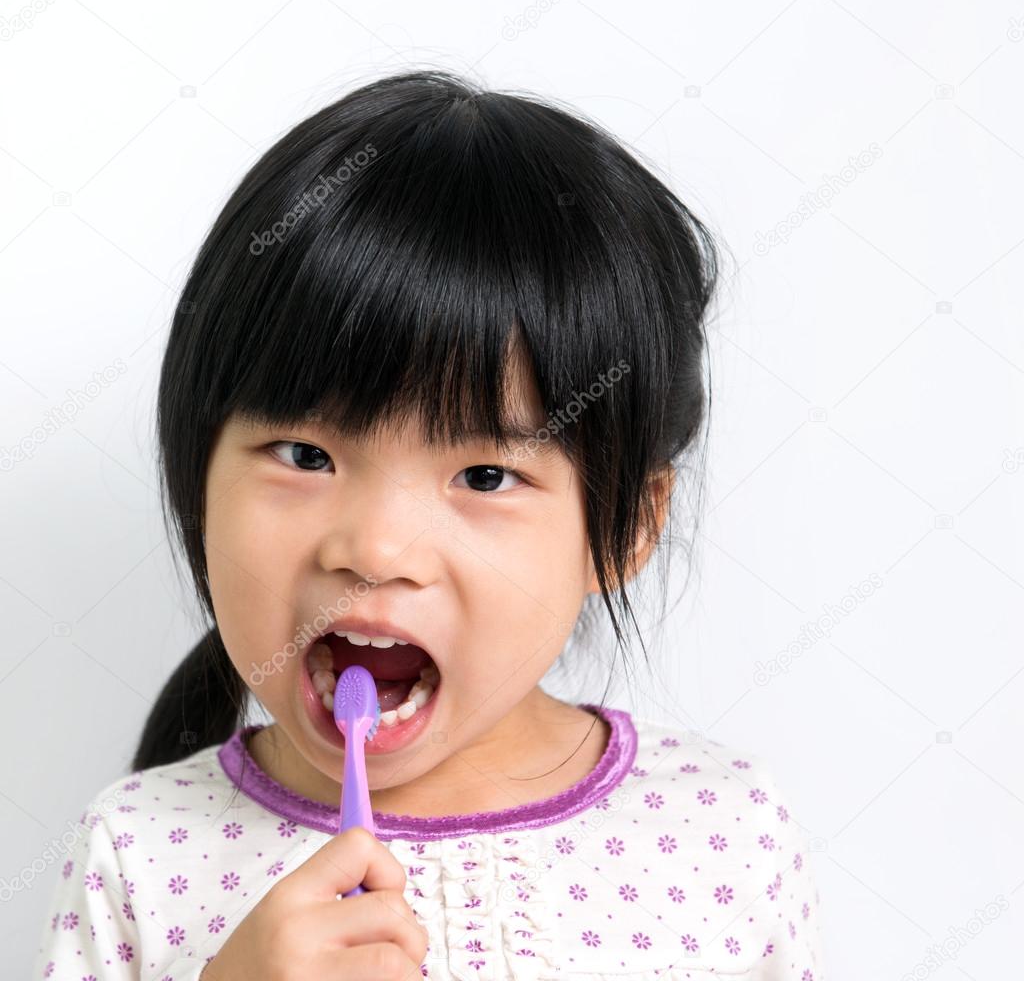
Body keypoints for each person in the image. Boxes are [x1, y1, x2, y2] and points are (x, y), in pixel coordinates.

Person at [33, 68, 825, 979]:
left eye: (485, 474)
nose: (374, 549)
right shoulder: (138, 853)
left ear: (627, 529)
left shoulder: (722, 836)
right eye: (304, 455)